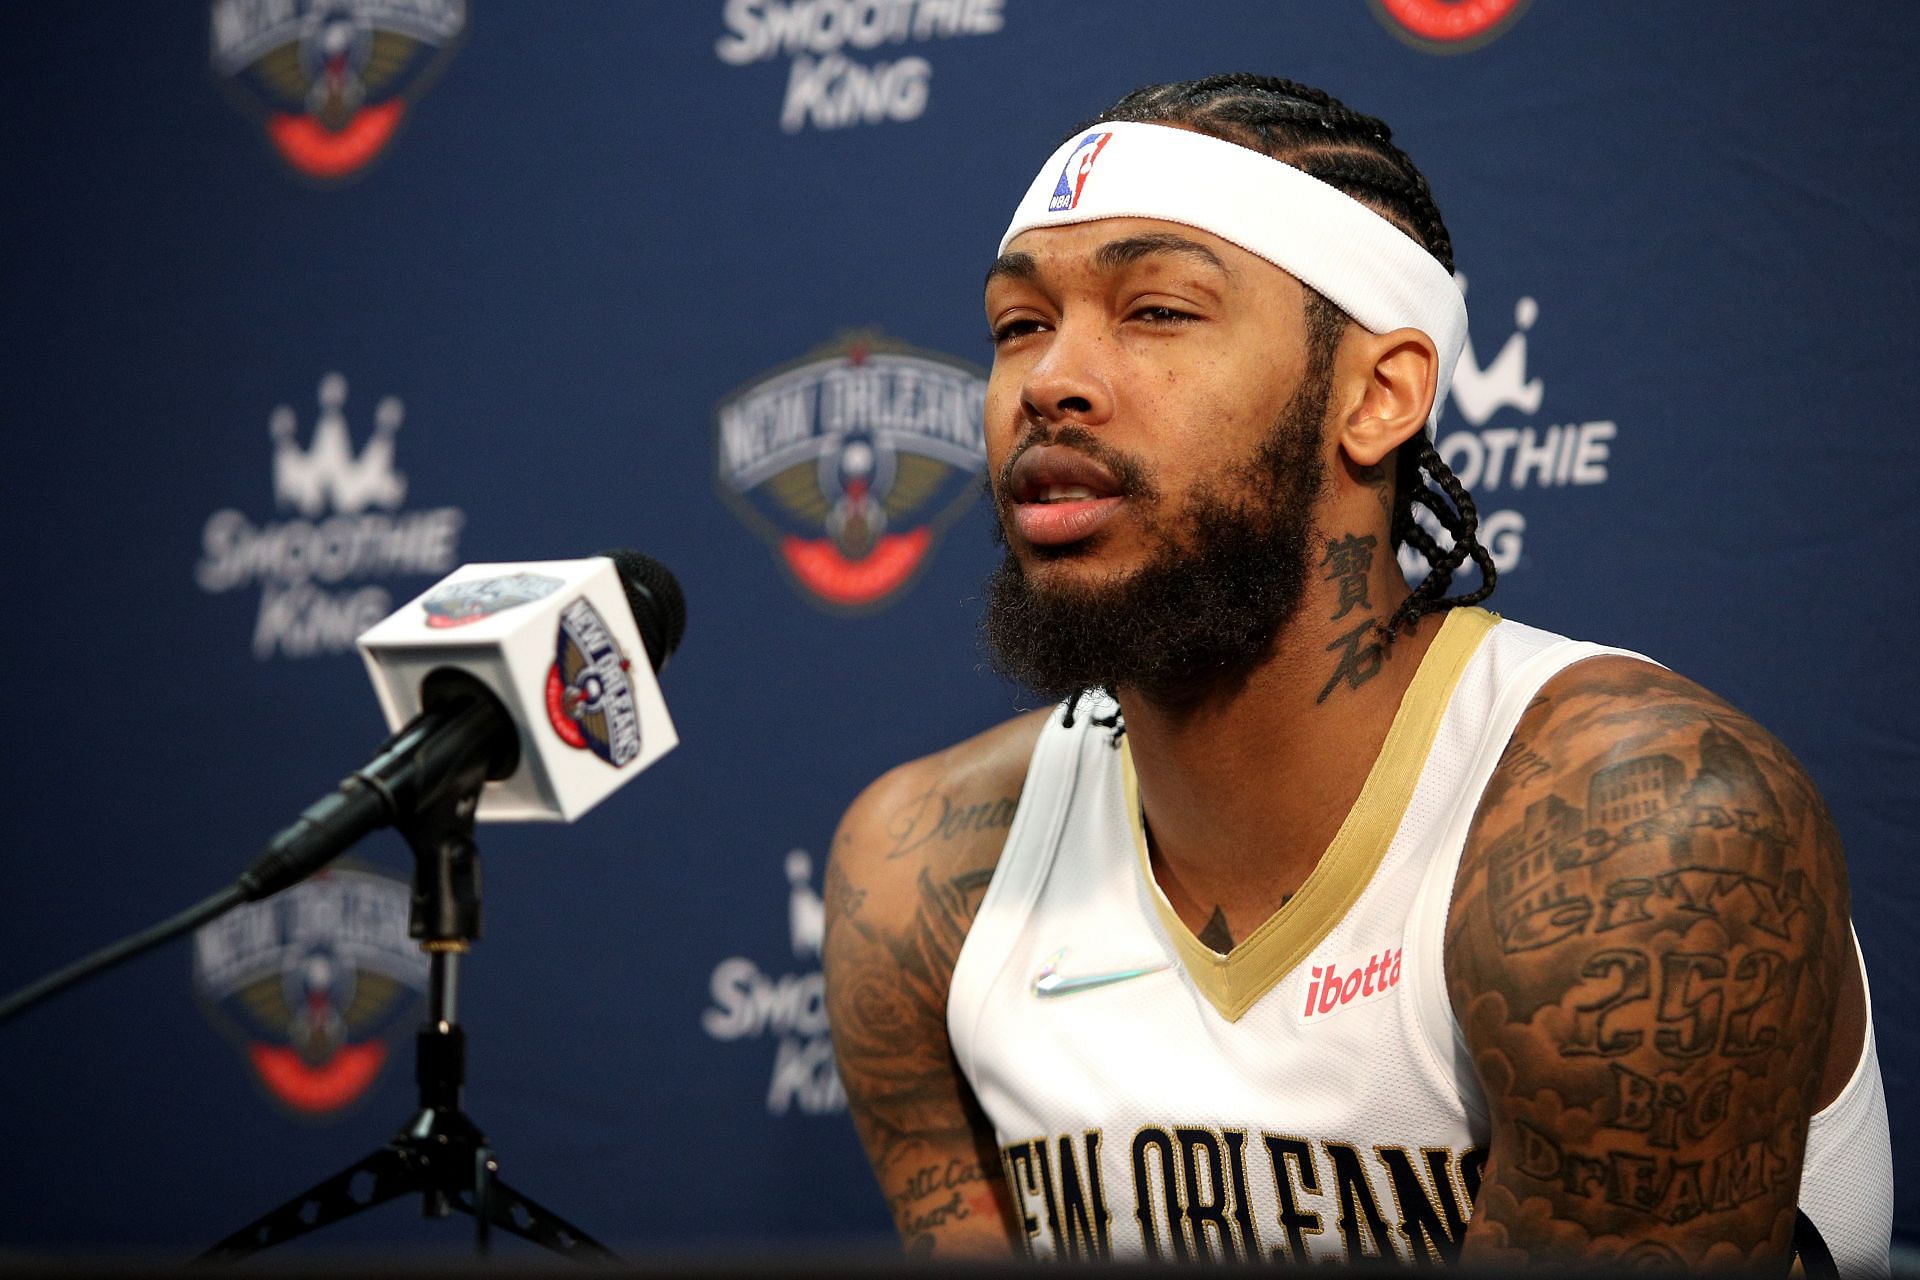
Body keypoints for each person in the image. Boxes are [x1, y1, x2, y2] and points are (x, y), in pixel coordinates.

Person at [821, 74, 1891, 1273]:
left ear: (1380, 395)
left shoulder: (1637, 840)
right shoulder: (923, 874)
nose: (1048, 382)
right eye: (1019, 325)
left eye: (1157, 310)